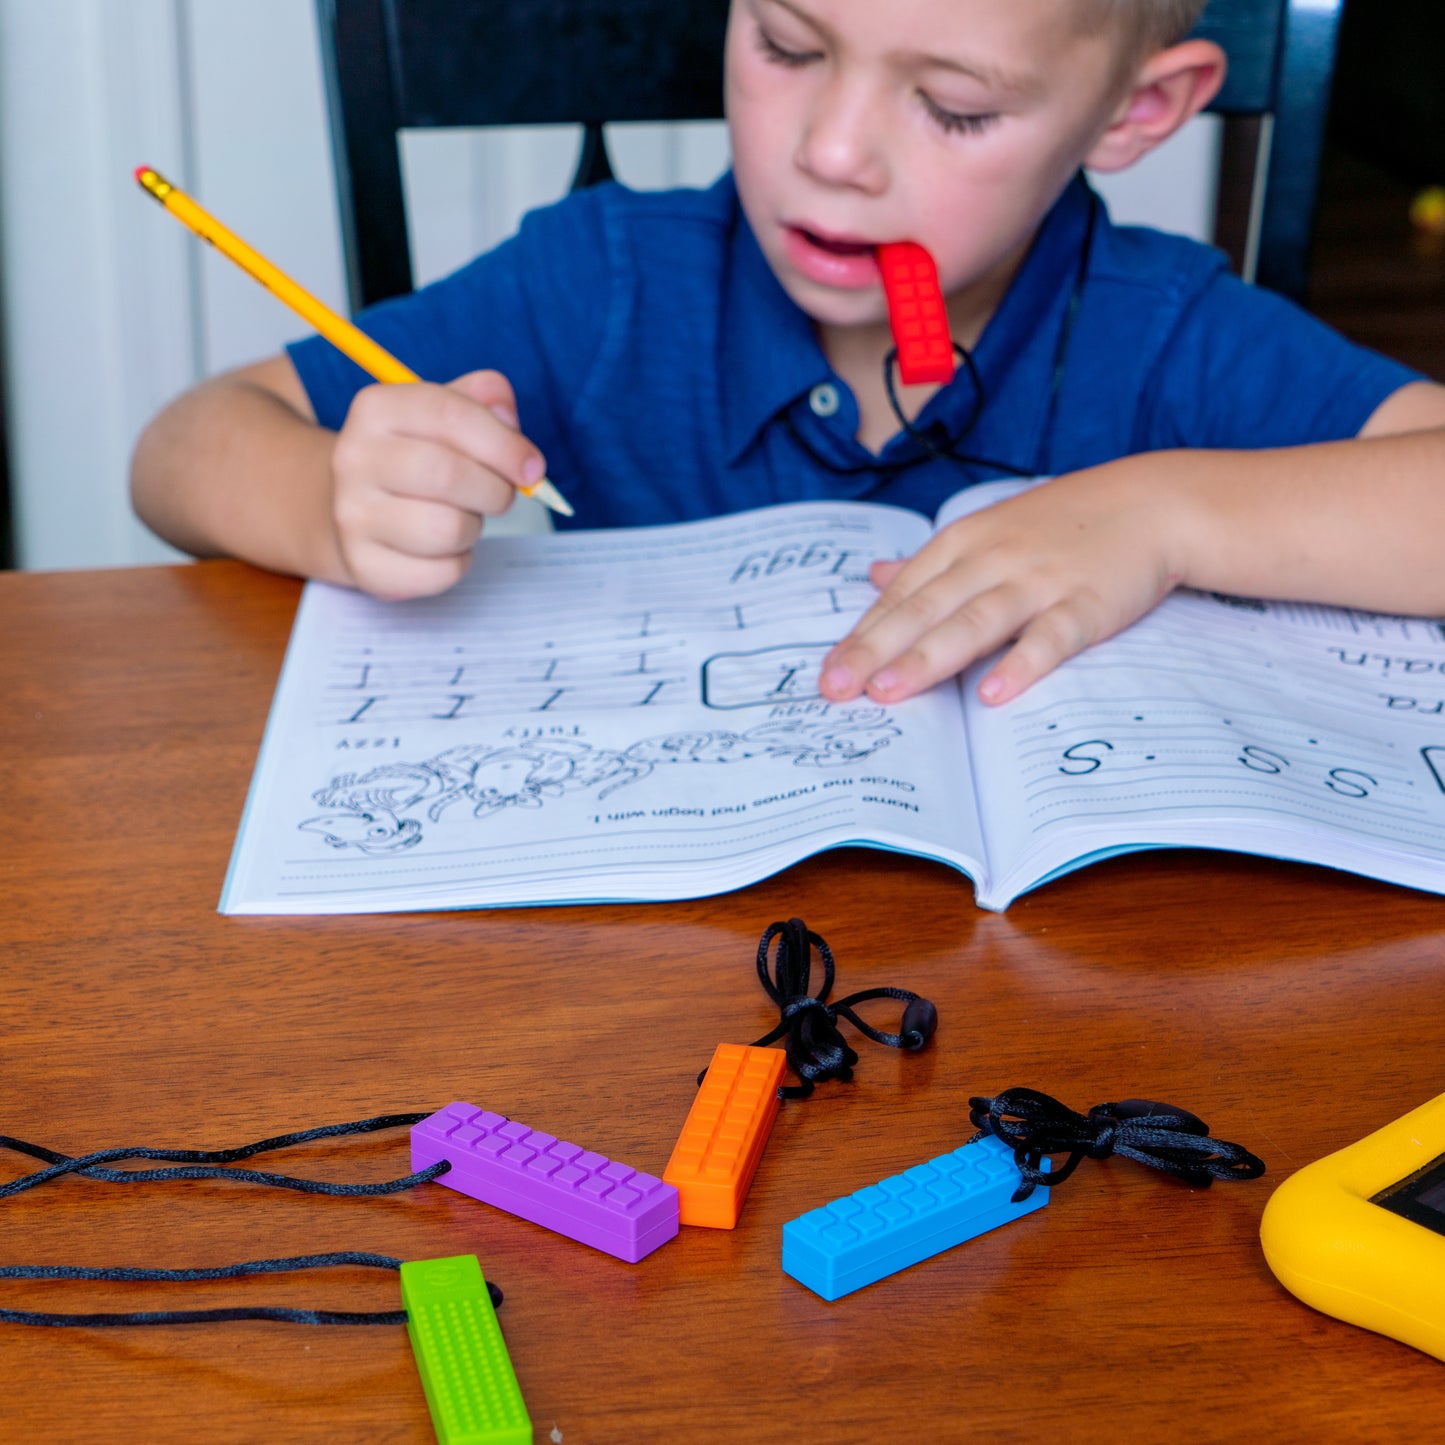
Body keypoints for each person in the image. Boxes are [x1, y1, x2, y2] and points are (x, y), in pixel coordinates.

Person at [130, 0, 1445, 708]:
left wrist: (1163, 511)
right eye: (785, 45)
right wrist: (336, 503)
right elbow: (181, 449)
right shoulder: (603, 282)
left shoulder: (1163, 331)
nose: (830, 151)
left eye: (952, 105)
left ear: (1134, 110)